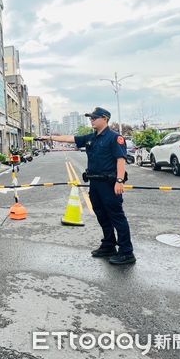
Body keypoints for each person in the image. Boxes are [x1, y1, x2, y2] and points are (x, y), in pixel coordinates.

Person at [40, 107, 136, 265]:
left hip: (110, 184)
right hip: (95, 183)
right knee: (101, 215)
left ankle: (127, 252)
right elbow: (71, 138)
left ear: (105, 119)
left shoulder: (114, 138)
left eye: (94, 117)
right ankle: (109, 245)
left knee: (117, 217)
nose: (91, 120)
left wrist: (119, 181)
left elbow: (120, 160)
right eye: (90, 118)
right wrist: (49, 137)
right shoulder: (92, 137)